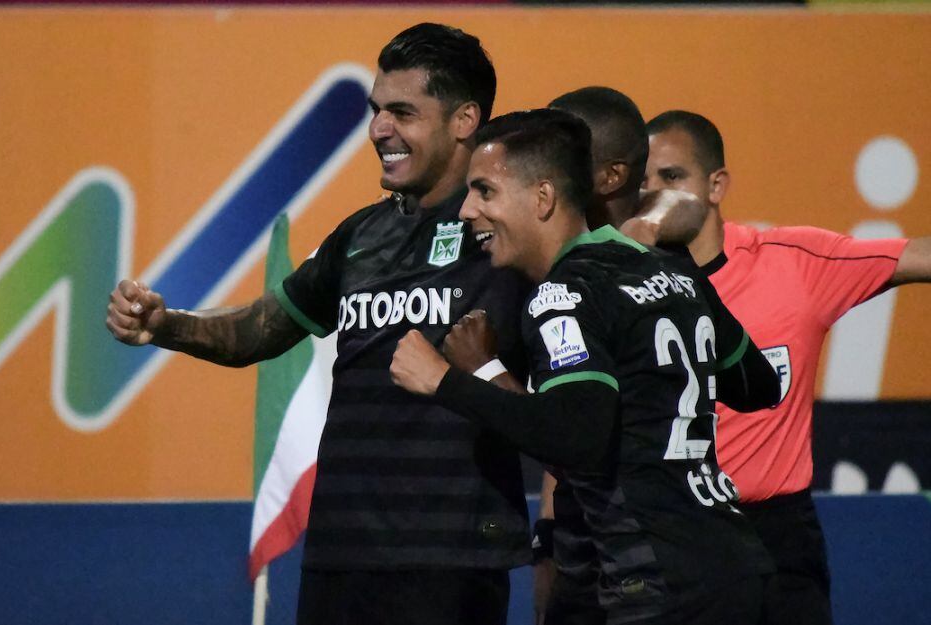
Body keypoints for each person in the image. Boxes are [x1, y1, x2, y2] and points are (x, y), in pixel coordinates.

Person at [107, 23, 535, 625]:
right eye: (376, 111)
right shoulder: (360, 235)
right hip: (340, 552)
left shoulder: (509, 237)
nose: (379, 130)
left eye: (402, 112)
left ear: (464, 120)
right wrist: (166, 324)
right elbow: (259, 330)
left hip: (450, 558)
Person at [390, 108, 781, 625]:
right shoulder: (670, 268)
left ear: (543, 198)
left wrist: (449, 381)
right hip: (738, 566)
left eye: (484, 191)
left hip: (658, 582)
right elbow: (758, 384)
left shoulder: (562, 295)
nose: (466, 211)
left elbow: (578, 437)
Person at [641, 110, 931, 625]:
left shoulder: (794, 263)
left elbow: (916, 256)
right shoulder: (618, 283)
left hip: (778, 537)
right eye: (644, 180)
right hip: (669, 534)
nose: (655, 193)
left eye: (672, 177)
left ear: (716, 185)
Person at [530, 87, 706, 625]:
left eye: (560, 160)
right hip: (589, 539)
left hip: (637, 556)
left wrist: (471, 375)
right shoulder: (547, 252)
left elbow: (582, 433)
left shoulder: (626, 274)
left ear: (609, 177)